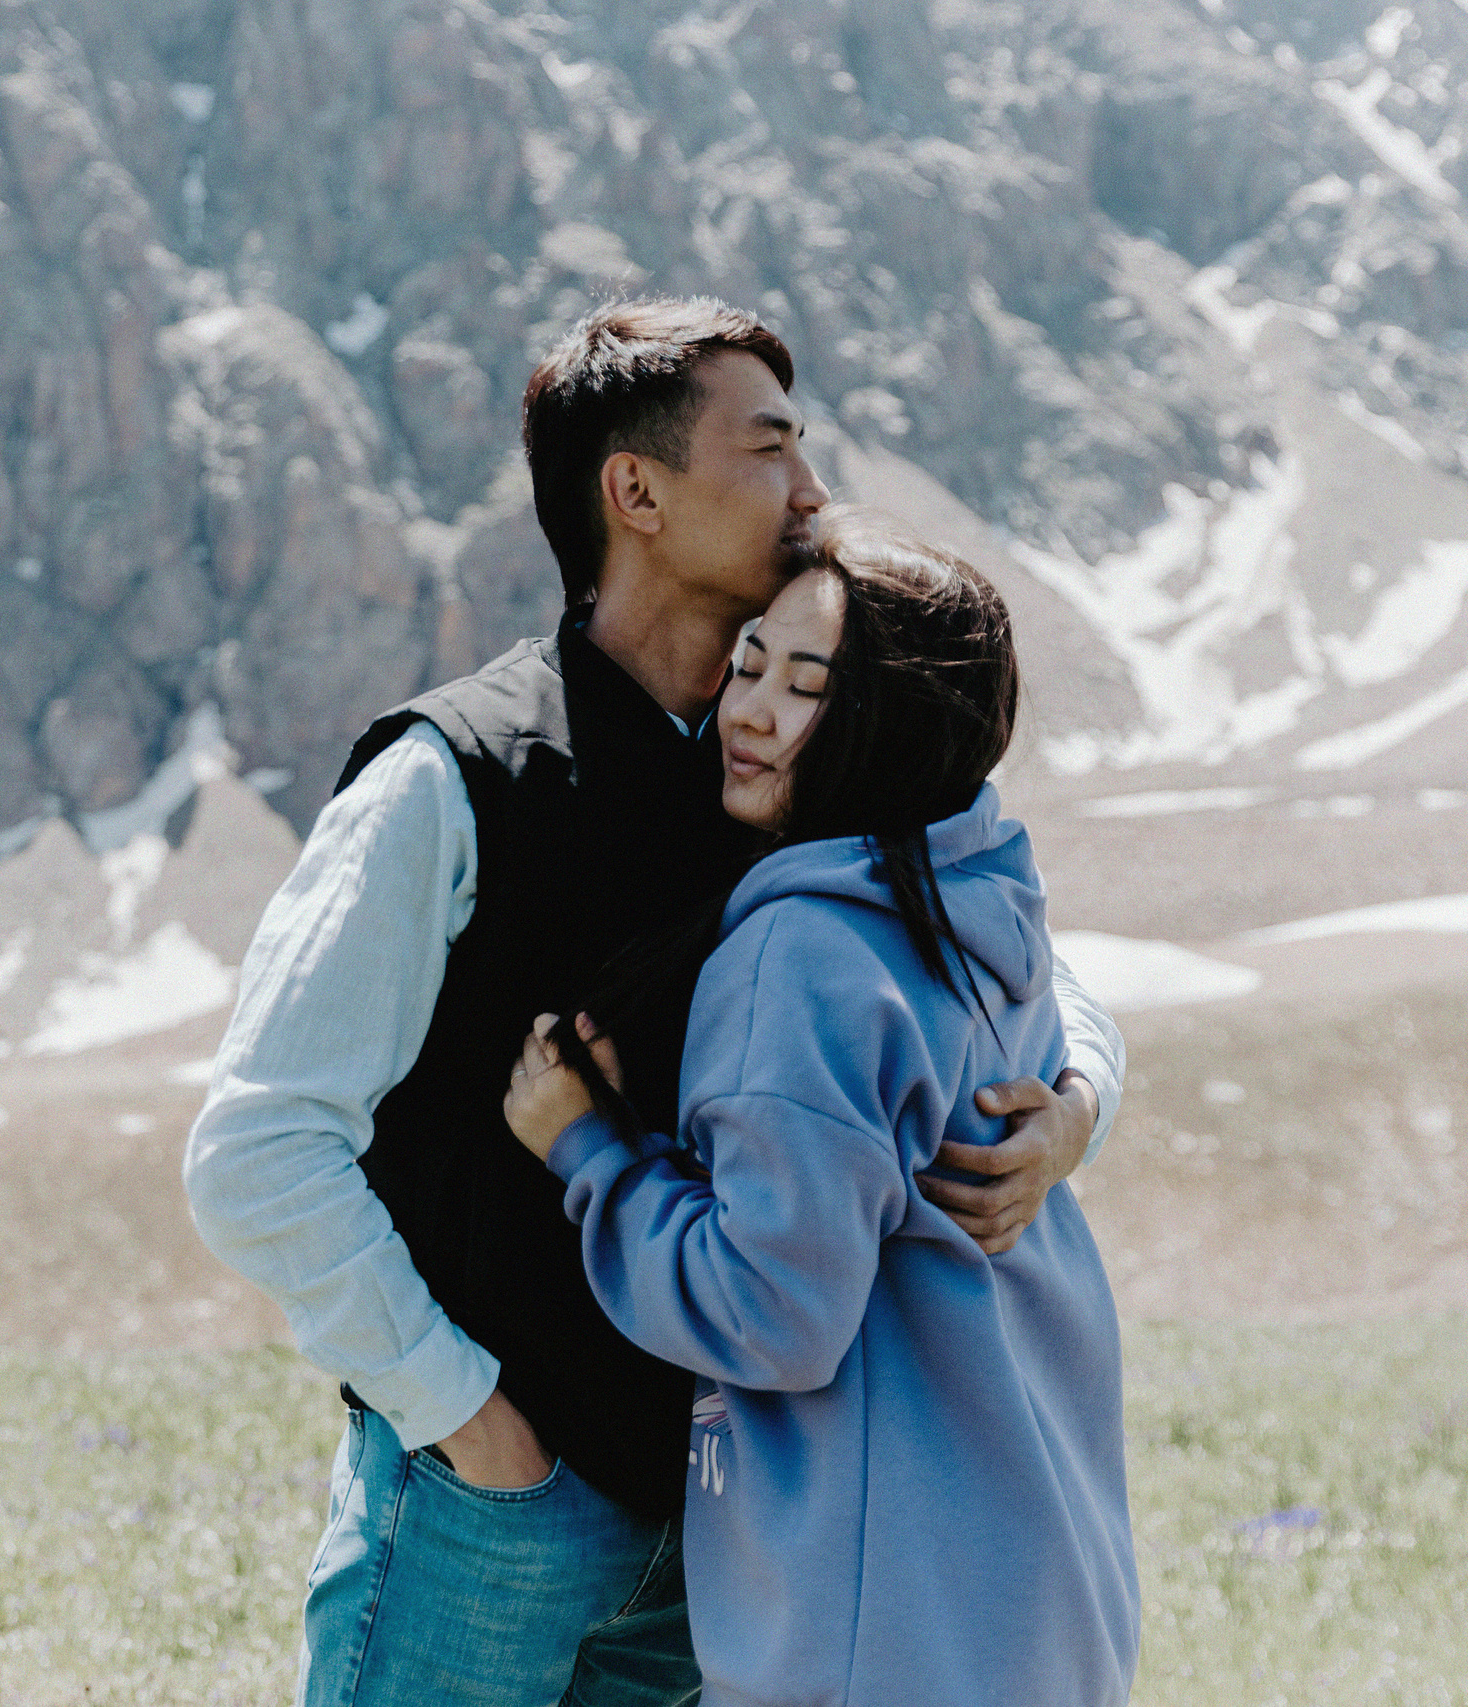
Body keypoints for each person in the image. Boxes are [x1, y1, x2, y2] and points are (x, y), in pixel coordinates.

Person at [183, 298, 1128, 1706]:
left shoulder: (788, 763)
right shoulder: (452, 778)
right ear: (635, 491)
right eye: (770, 448)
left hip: (719, 1547)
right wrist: (469, 1426)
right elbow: (256, 1151)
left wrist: (1071, 1108)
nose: (813, 489)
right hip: (490, 1514)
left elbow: (1002, 955)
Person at [501, 512, 1139, 1706]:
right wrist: (1081, 1106)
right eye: (748, 665)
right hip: (1038, 1586)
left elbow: (771, 1315)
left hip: (878, 1627)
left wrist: (590, 1154)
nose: (747, 712)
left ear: (890, 718)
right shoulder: (980, 884)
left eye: (806, 687)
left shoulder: (802, 951)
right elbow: (1072, 1006)